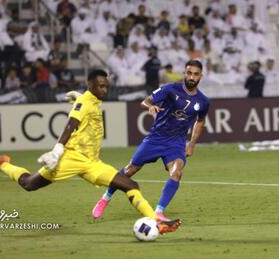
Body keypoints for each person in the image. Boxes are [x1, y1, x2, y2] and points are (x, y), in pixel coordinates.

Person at [0, 69, 181, 234]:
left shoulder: (90, 99)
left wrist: (80, 97)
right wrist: (57, 151)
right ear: (90, 85)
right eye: (100, 86)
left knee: (129, 184)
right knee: (29, 184)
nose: (104, 89)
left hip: (92, 163)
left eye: (106, 86)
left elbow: (85, 105)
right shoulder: (85, 102)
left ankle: (157, 223)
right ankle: (2, 163)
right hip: (70, 158)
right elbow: (70, 125)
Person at [90, 60, 210, 221]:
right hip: (156, 138)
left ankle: (158, 212)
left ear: (200, 77)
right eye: (189, 73)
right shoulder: (170, 89)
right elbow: (145, 101)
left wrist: (192, 144)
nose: (191, 77)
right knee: (130, 170)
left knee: (177, 173)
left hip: (176, 143)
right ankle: (105, 198)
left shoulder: (203, 101)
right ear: (184, 73)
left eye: (195, 74)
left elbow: (200, 121)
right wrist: (150, 107)